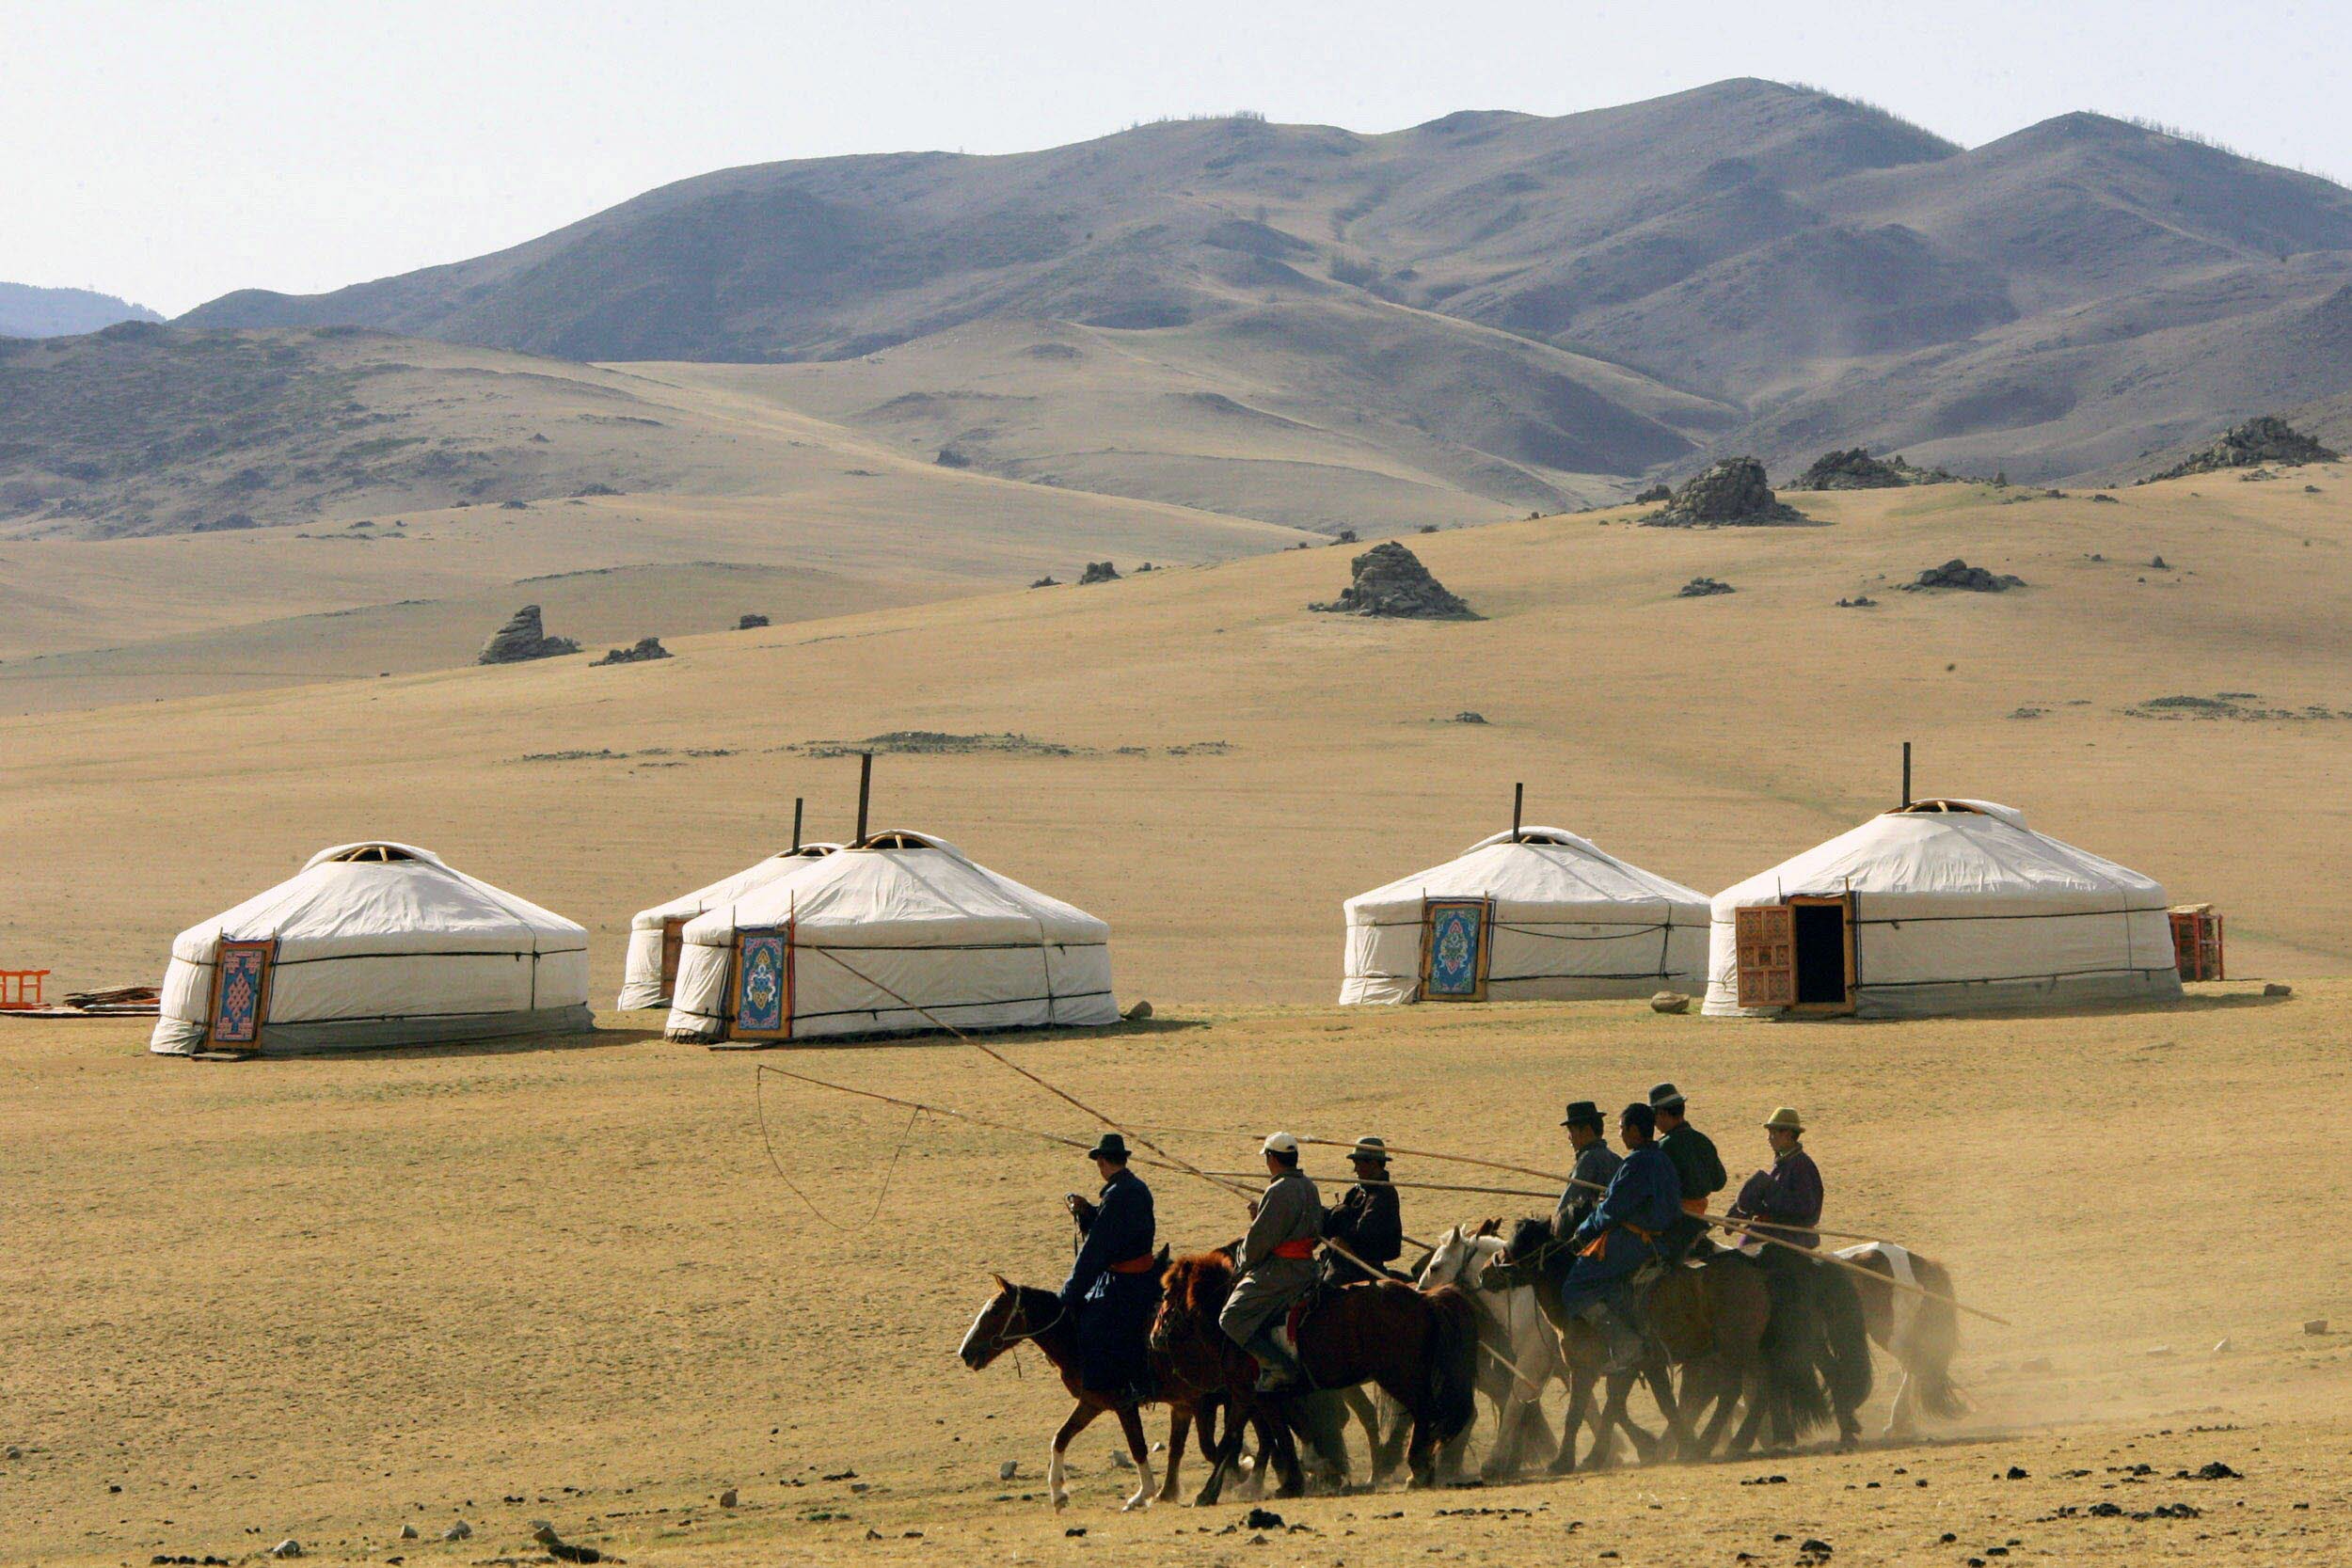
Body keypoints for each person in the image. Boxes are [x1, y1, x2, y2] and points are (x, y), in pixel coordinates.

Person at [1558, 1101, 1683, 1372]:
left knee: (1574, 1286)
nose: (1621, 1135)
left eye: (1623, 1129)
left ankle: (1624, 1343)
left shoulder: (1637, 1163)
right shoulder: (1662, 1159)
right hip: (1658, 1240)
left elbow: (1610, 1211)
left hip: (1632, 1242)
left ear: (1635, 1130)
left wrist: (1582, 1232)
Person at [1218, 1132, 1326, 1391]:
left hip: (1281, 1273)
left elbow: (1258, 1243)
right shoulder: (1309, 1186)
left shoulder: (1277, 1190)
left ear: (1271, 1157)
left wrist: (1240, 1265)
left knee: (1230, 1318)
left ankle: (1278, 1367)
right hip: (1308, 1269)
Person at [1058, 1132, 1160, 1402]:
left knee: (1092, 1322)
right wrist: (1090, 1212)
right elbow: (1120, 1231)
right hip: (1143, 1273)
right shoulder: (1136, 1187)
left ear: (1102, 1162)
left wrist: (1069, 1293)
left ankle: (1113, 1388)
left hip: (1128, 1281)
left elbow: (1096, 1251)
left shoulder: (1117, 1195)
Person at [1729, 1107, 1823, 1253]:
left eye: (1773, 1133)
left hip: (1791, 1236)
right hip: (1775, 1232)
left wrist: (1766, 1199)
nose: (1769, 1138)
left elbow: (1804, 1208)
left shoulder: (1801, 1165)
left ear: (1788, 1134)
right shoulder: (1783, 1162)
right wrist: (1742, 1211)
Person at [1650, 1081, 1727, 1256]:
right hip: (1699, 1223)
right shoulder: (1702, 1140)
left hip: (1673, 1226)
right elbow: (1719, 1182)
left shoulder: (1662, 1148)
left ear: (1661, 1114)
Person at [1321, 1135, 1403, 1285]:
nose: (1355, 1169)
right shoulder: (1360, 1190)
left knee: (1322, 1294)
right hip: (1343, 1261)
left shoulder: (1383, 1194)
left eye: (1358, 1163)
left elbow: (1364, 1232)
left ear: (1372, 1164)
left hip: (1358, 1267)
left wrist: (1340, 1235)